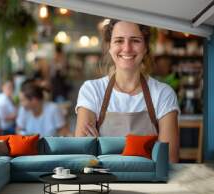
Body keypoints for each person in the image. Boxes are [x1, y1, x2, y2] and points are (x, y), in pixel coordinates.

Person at [74, 20, 180, 162]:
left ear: (146, 47)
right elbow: (83, 155)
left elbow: (168, 159)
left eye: (135, 41)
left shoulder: (163, 94)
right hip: (103, 182)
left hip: (151, 183)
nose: (127, 48)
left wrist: (102, 146)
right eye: (119, 41)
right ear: (109, 46)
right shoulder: (92, 90)